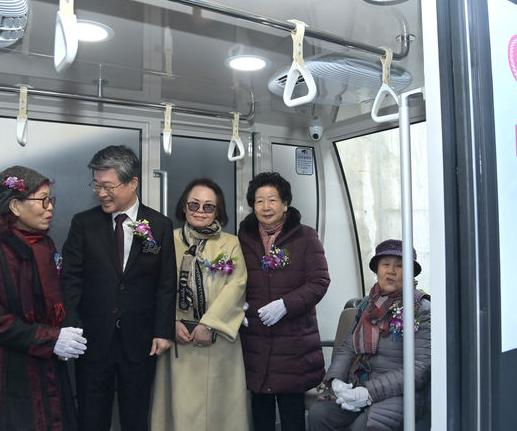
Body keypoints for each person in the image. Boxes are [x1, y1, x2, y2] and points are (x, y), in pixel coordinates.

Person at [61, 145, 176, 431]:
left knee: (135, 417)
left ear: (132, 182)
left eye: (108, 186)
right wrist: (70, 328)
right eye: (96, 185)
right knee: (91, 417)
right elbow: (71, 279)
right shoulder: (84, 223)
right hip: (92, 338)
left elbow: (166, 283)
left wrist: (163, 331)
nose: (101, 193)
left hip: (140, 340)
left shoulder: (159, 225)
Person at [0, 166, 87, 430]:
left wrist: (63, 333)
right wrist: (51, 339)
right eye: (42, 200)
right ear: (14, 206)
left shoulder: (45, 246)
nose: (50, 208)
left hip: (48, 363)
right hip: (6, 367)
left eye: (50, 199)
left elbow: (56, 299)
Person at [151, 178, 249, 431]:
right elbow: (155, 286)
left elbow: (236, 286)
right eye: (194, 204)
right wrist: (169, 323)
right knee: (181, 412)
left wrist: (209, 324)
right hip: (179, 339)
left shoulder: (231, 243)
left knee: (221, 413)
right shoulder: (169, 239)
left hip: (219, 342)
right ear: (184, 207)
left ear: (218, 211)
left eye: (208, 206)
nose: (200, 211)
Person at [238, 172, 330, 431]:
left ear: (285, 203)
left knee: (292, 415)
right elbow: (234, 279)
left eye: (272, 200)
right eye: (259, 201)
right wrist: (237, 304)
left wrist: (286, 305)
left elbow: (319, 281)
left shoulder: (305, 236)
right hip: (255, 338)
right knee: (260, 411)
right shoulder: (243, 238)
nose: (266, 207)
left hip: (293, 341)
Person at [308, 239, 431, 431]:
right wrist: (336, 380)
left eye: (399, 266)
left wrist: (368, 393)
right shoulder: (367, 304)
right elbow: (348, 347)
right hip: (359, 383)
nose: (391, 271)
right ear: (377, 270)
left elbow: (420, 368)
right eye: (385, 265)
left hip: (400, 393)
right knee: (320, 415)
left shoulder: (421, 308)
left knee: (363, 426)